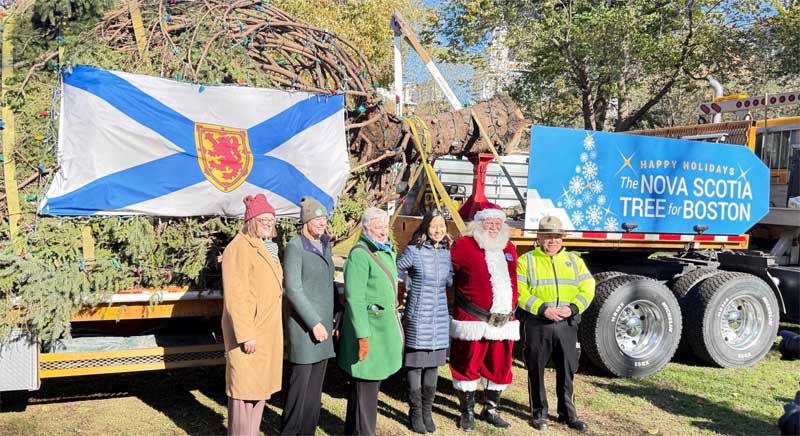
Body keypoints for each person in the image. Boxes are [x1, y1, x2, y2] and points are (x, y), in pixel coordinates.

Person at [517, 216, 595, 433]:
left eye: (557, 237)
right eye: (548, 236)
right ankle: (539, 413)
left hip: (566, 323)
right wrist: (544, 309)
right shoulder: (526, 260)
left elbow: (588, 288)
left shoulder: (575, 261)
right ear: (539, 237)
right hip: (538, 323)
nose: (552, 241)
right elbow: (521, 293)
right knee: (536, 369)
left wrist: (572, 308)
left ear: (562, 239)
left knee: (567, 369)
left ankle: (568, 414)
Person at [449, 202, 519, 432]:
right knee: (467, 365)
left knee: (499, 366)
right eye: (489, 222)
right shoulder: (462, 246)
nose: (494, 227)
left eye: (498, 223)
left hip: (504, 321)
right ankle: (467, 411)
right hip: (473, 319)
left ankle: (490, 409)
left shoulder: (509, 248)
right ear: (478, 224)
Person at [337, 207, 404, 436]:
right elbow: (354, 299)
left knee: (366, 390)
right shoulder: (360, 254)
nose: (383, 232)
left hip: (381, 332)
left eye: (385, 227)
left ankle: (354, 431)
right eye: (378, 228)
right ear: (366, 229)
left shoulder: (384, 250)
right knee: (365, 387)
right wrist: (362, 337)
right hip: (367, 333)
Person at [221, 193, 283, 436]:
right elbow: (237, 297)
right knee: (243, 395)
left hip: (265, 333)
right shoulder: (238, 248)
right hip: (249, 334)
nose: (268, 222)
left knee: (258, 393)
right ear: (250, 221)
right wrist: (246, 334)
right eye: (262, 218)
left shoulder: (266, 246)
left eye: (271, 218)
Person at [280, 196, 336, 436]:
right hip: (305, 330)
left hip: (325, 328)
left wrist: (337, 313)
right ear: (306, 221)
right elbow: (293, 289)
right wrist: (314, 323)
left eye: (324, 218)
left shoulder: (326, 244)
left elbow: (328, 282)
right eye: (317, 218)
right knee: (299, 389)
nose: (322, 222)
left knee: (315, 391)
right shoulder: (295, 246)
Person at [396, 209, 453, 434]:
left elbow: (450, 280)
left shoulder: (447, 254)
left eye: (442, 226)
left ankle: (428, 411)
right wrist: (404, 290)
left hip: (439, 316)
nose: (438, 230)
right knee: (416, 363)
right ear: (426, 228)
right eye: (434, 226)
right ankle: (416, 412)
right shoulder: (414, 251)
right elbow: (395, 270)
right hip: (419, 314)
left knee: (433, 364)